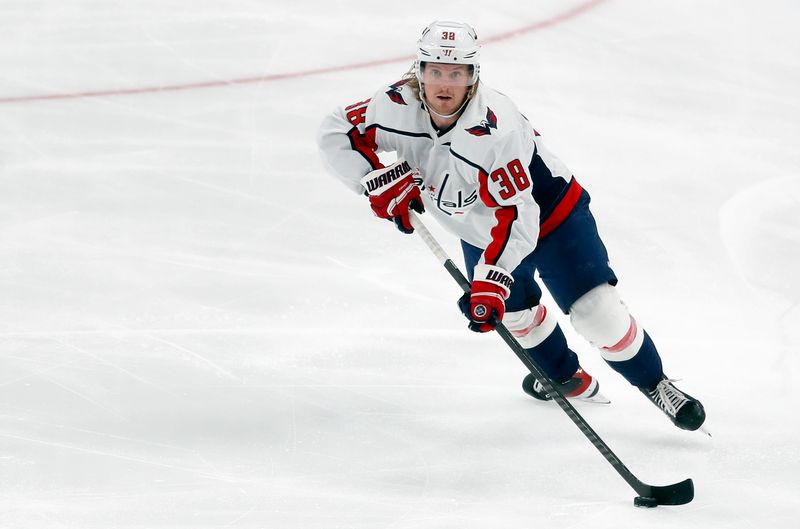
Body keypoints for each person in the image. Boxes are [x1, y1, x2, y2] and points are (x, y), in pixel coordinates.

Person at [317, 21, 706, 431]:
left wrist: (491, 279)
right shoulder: (393, 104)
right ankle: (563, 377)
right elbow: (336, 129)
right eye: (435, 71)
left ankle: (655, 383)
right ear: (419, 70)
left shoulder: (495, 128)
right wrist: (371, 179)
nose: (444, 84)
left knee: (598, 315)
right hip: (479, 226)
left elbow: (518, 215)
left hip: (551, 215)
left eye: (456, 73)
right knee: (516, 315)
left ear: (473, 77)